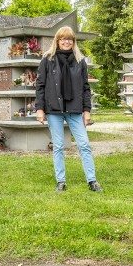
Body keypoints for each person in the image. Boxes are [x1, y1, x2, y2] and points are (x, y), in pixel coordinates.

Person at [35, 26, 103, 192]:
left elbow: (86, 88)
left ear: (73, 41)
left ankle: (92, 181)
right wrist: (40, 109)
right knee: (58, 146)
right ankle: (61, 181)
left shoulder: (80, 61)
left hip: (75, 109)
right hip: (54, 109)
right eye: (63, 39)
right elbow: (40, 85)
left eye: (70, 39)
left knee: (84, 144)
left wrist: (87, 111)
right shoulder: (48, 59)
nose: (66, 42)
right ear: (57, 41)